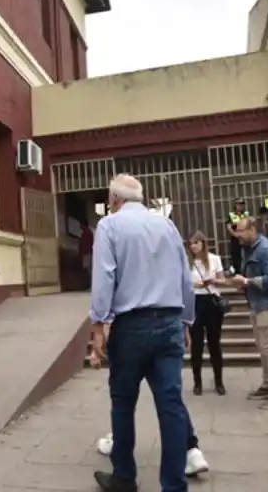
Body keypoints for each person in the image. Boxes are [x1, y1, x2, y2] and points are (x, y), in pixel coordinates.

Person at [88, 174, 194, 492]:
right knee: (171, 405)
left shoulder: (110, 225)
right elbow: (184, 275)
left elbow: (104, 277)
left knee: (122, 401)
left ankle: (124, 476)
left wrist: (98, 326)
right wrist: (187, 319)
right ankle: (174, 485)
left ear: (114, 200)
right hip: (170, 322)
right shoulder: (166, 225)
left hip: (131, 326)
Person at [229, 217, 268, 407]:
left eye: (240, 230)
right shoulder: (251, 249)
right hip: (259, 304)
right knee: (264, 349)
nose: (237, 235)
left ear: (253, 229)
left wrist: (247, 282)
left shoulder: (266, 249)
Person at [186, 232, 227, 396]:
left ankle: (219, 381)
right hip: (194, 301)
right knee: (196, 344)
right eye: (190, 244)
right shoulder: (186, 263)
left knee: (214, 342)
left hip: (211, 300)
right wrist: (193, 283)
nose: (193, 246)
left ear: (203, 243)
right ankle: (197, 382)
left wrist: (213, 281)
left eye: (196, 243)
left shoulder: (214, 259)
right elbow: (181, 282)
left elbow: (223, 280)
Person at [225, 199, 249, 274]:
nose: (240, 206)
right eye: (239, 204)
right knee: (236, 256)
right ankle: (237, 272)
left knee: (247, 254)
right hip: (235, 239)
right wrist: (235, 235)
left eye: (242, 204)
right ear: (235, 205)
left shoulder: (246, 214)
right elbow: (229, 227)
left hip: (245, 238)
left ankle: (246, 271)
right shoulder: (232, 215)